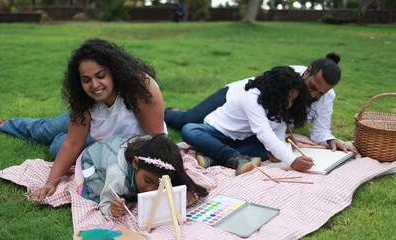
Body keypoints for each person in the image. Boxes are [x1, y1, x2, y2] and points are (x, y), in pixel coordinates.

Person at [0, 38, 167, 197]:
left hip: (110, 146)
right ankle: (1, 124)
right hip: (97, 131)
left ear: (114, 71)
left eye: (101, 75)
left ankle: (59, 136)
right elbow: (73, 144)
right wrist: (50, 185)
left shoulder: (139, 87)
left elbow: (156, 138)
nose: (95, 85)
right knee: (46, 129)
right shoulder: (85, 99)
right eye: (86, 80)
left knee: (57, 147)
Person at [166, 53, 351, 153]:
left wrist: (330, 139)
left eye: (321, 92)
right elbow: (263, 104)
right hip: (234, 98)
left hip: (250, 123)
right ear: (308, 71)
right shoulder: (287, 77)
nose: (314, 94)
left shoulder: (327, 96)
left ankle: (218, 155)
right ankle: (167, 112)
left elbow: (319, 129)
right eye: (312, 87)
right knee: (187, 120)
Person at [30, 134, 209, 217]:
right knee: (96, 193)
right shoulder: (117, 174)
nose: (151, 189)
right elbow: (105, 205)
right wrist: (112, 210)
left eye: (158, 184)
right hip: (91, 162)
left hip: (114, 148)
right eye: (147, 181)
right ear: (135, 163)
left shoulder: (158, 161)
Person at [181, 66, 312, 175]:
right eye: (287, 98)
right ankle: (236, 158)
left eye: (293, 100)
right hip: (218, 134)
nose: (289, 104)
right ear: (275, 93)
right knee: (190, 129)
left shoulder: (281, 107)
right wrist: (291, 160)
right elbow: (264, 133)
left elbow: (277, 132)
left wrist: (282, 149)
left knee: (269, 148)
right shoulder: (252, 98)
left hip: (244, 140)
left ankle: (214, 158)